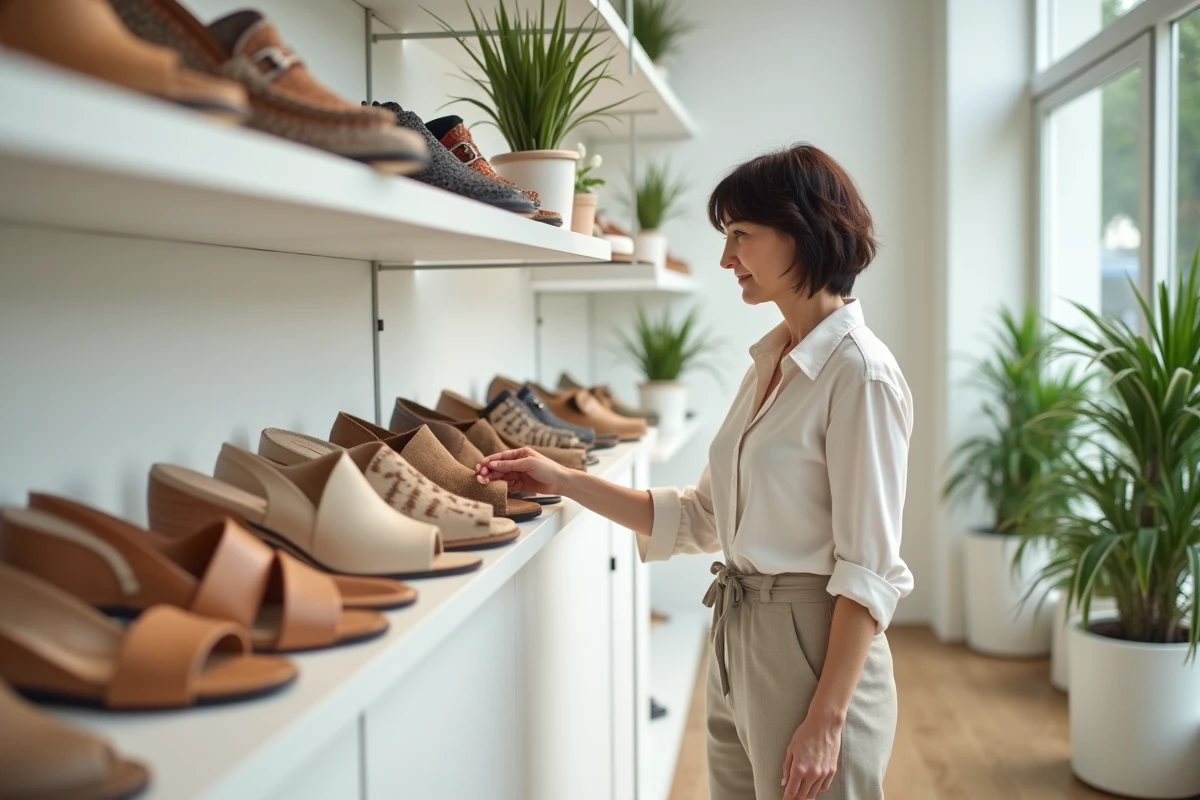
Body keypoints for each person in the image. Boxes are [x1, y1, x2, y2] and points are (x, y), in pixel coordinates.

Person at [476, 144, 914, 800]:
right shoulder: (771, 363)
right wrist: (564, 478)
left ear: (803, 230)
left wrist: (827, 720)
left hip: (815, 653)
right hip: (739, 635)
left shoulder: (860, 374)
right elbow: (703, 517)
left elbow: (868, 574)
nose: (725, 258)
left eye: (740, 235)